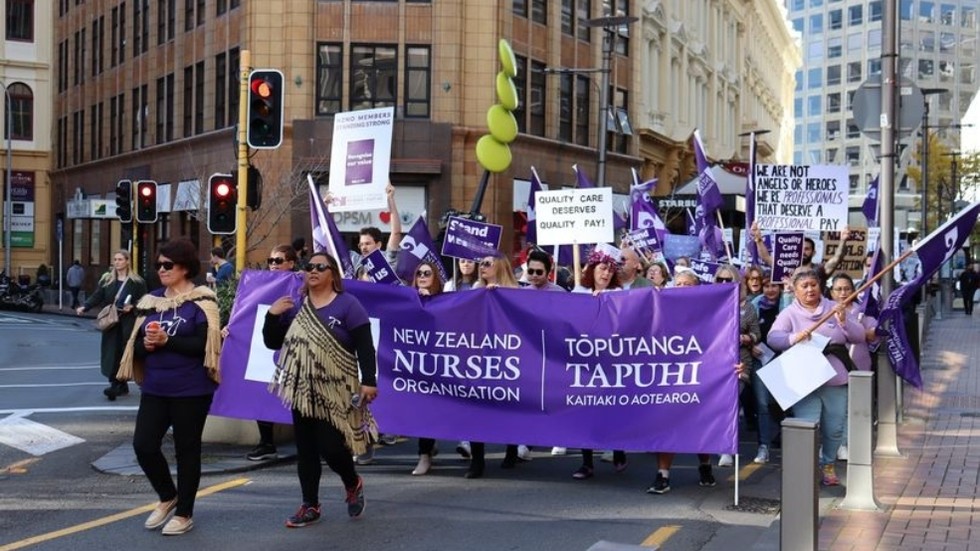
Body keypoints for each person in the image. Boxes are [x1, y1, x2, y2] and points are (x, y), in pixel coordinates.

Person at [116, 237, 223, 536]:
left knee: (187, 451)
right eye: (158, 265)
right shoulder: (151, 301)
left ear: (185, 267)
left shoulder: (203, 301)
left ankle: (185, 512)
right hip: (155, 387)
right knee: (143, 446)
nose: (161, 270)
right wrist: (147, 345)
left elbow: (206, 345)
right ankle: (167, 495)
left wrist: (168, 341)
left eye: (167, 265)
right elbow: (133, 346)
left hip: (191, 389)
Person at [263, 252, 378, 525]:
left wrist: (369, 381)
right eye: (308, 267)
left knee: (331, 447)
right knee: (306, 450)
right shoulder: (296, 305)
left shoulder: (348, 305)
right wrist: (271, 316)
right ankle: (310, 505)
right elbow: (272, 342)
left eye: (319, 267)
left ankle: (352, 483)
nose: (312, 271)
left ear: (332, 274)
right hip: (302, 388)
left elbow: (364, 345)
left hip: (336, 389)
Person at [767, 269, 865, 486]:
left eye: (813, 284)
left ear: (820, 286)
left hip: (835, 378)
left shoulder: (834, 307)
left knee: (835, 427)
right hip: (805, 380)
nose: (810, 289)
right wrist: (793, 337)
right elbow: (773, 338)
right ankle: (807, 467)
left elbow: (858, 336)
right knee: (808, 424)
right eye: (804, 286)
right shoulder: (789, 313)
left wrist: (843, 321)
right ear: (795, 290)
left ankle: (828, 464)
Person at [647, 268, 718, 493]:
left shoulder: (710, 312)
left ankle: (705, 465)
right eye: (679, 284)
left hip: (702, 374)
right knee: (668, 423)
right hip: (670, 374)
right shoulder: (661, 309)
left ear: (697, 288)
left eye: (688, 284)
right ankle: (663, 475)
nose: (683, 288)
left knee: (700, 424)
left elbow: (721, 342)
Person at [569, 248, 627, 479]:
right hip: (584, 362)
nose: (606, 273)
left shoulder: (620, 293)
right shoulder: (579, 292)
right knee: (584, 410)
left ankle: (618, 449)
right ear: (592, 269)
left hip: (611, 362)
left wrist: (606, 304)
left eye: (610, 270)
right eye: (602, 268)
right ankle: (587, 462)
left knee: (610, 408)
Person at [239, 244, 300, 462]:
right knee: (261, 390)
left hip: (295, 346)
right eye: (270, 260)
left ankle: (313, 444)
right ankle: (266, 443)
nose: (273, 265)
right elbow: (246, 310)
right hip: (265, 344)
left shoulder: (300, 283)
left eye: (278, 261)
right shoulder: (259, 284)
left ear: (291, 264)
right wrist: (232, 326)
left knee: (298, 395)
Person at [465, 254, 521, 477]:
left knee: (507, 404)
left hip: (507, 357)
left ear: (501, 267)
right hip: (478, 356)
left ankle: (512, 447)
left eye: (488, 264)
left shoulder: (515, 292)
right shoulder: (474, 291)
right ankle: (477, 460)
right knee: (475, 407)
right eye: (481, 264)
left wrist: (501, 299)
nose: (482, 267)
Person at [76, 250, 147, 400]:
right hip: (112, 320)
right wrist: (85, 306)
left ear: (128, 261)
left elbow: (144, 301)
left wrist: (133, 307)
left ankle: (121, 382)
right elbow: (98, 295)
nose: (117, 262)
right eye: (115, 259)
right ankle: (115, 383)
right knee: (110, 351)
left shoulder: (137, 282)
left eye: (120, 259)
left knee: (125, 350)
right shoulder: (107, 280)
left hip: (128, 321)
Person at [828, 273, 878, 461]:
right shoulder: (826, 310)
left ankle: (845, 444)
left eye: (847, 288)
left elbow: (873, 333)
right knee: (835, 409)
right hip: (834, 368)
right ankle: (832, 444)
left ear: (854, 291)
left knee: (852, 409)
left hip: (859, 366)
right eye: (838, 289)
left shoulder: (862, 311)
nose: (843, 293)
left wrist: (858, 332)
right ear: (831, 292)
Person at [410, 261, 445, 476]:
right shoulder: (407, 299)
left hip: (443, 363)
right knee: (423, 409)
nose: (422, 276)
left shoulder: (447, 300)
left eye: (427, 273)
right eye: (419, 273)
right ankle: (425, 453)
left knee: (435, 409)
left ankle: (428, 450)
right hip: (416, 363)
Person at [749, 275, 786, 463]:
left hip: (783, 360)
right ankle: (764, 446)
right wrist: (751, 344)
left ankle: (787, 437)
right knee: (762, 404)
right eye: (766, 285)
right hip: (760, 360)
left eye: (774, 285)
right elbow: (747, 329)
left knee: (783, 402)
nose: (770, 289)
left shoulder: (787, 304)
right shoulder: (754, 305)